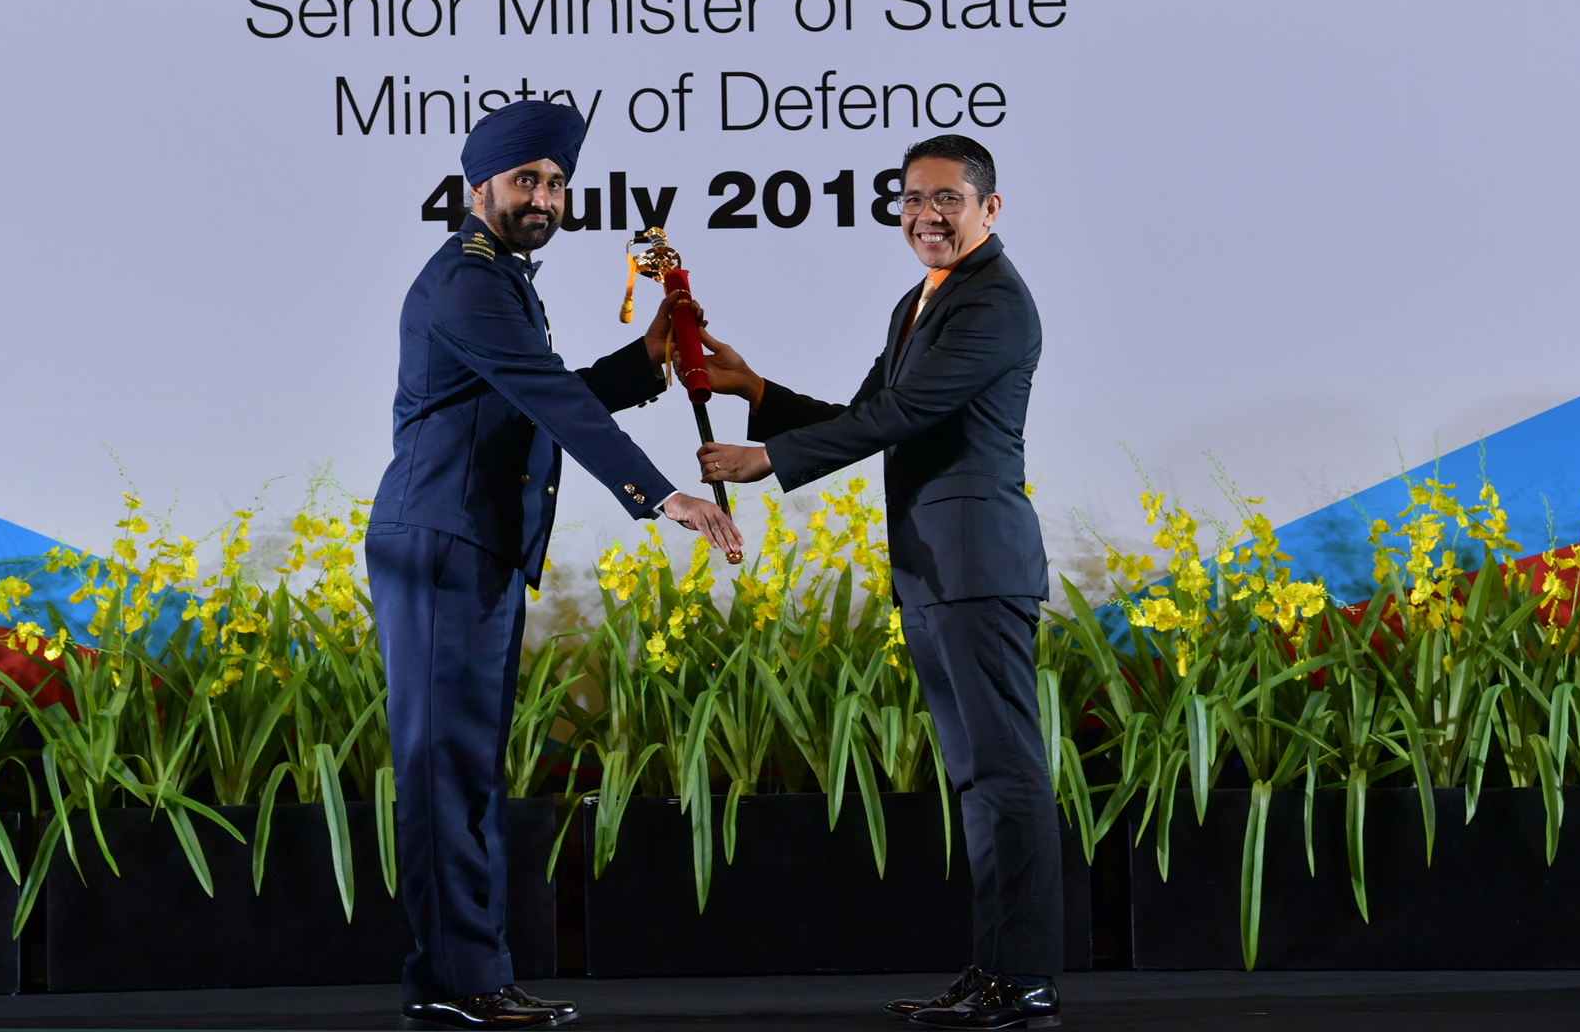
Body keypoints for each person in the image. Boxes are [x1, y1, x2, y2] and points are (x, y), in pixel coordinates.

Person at [368, 99, 742, 1032]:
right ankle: (459, 980)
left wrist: (648, 360)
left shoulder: (500, 280)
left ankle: (464, 975)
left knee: (466, 770)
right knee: (446, 773)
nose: (545, 196)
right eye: (526, 179)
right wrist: (663, 496)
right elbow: (549, 398)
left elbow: (536, 395)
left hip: (474, 544)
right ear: (477, 189)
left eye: (556, 182)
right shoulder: (468, 280)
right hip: (442, 548)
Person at [694, 134, 1062, 1029]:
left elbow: (907, 411)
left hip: (977, 570)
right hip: (935, 573)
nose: (925, 215)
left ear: (989, 209)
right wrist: (757, 390)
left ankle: (1024, 978)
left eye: (946, 199)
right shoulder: (921, 298)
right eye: (911, 199)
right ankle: (994, 972)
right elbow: (869, 414)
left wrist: (767, 459)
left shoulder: (995, 302)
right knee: (976, 779)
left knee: (1006, 777)